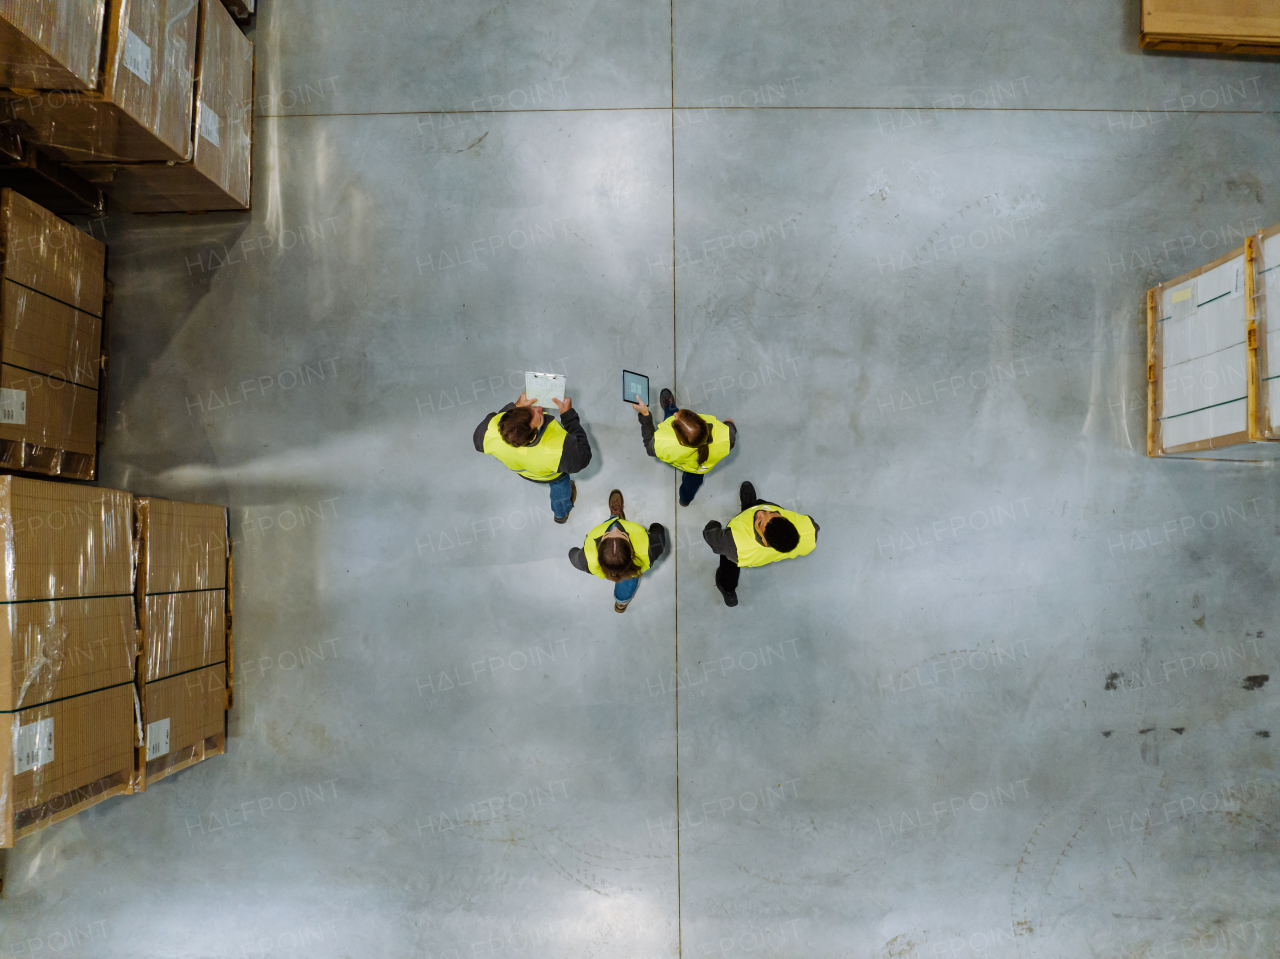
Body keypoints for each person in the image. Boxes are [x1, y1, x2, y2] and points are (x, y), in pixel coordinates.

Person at [473, 392, 591, 524]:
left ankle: (560, 515)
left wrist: (516, 406)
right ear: (533, 437)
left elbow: (479, 438)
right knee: (560, 485)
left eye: (530, 408)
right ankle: (561, 513)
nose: (540, 408)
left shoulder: (488, 432)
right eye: (540, 417)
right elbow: (584, 457)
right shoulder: (558, 449)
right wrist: (568, 416)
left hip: (525, 471)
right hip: (551, 475)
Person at [702, 482, 818, 607]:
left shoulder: (733, 543)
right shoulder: (808, 529)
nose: (760, 512)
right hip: (765, 555)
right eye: (771, 513)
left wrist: (713, 525)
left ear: (765, 541)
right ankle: (749, 506)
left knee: (729, 568)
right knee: (758, 506)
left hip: (738, 554)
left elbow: (712, 538)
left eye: (759, 522)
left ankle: (727, 589)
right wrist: (761, 511)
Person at [631, 388, 735, 506]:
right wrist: (725, 426)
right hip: (697, 470)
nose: (676, 414)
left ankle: (669, 407)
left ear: (681, 441)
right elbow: (730, 423)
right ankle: (685, 500)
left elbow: (649, 445)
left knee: (670, 414)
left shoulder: (665, 442)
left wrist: (645, 414)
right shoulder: (726, 439)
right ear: (703, 420)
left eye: (675, 420)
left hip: (681, 459)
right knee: (692, 484)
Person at [569, 489, 667, 613]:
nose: (615, 528)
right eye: (621, 534)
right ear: (631, 552)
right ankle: (622, 602)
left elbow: (573, 557)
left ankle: (614, 516)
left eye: (608, 535)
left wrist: (573, 551)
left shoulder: (586, 559)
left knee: (610, 523)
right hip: (632, 569)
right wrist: (656, 527)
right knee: (629, 580)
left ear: (599, 551)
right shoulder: (650, 549)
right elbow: (659, 534)